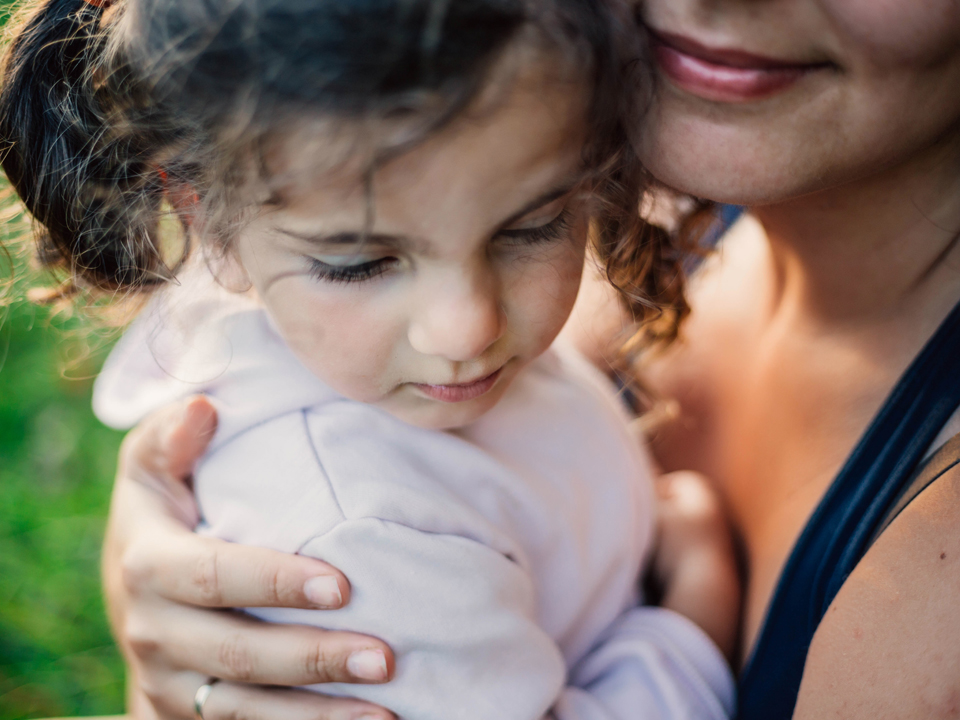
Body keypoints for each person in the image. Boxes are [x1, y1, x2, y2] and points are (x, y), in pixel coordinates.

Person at [17, 0, 960, 717]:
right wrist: (175, 632)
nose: (468, 329)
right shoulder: (542, 177)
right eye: (358, 263)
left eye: (538, 225)